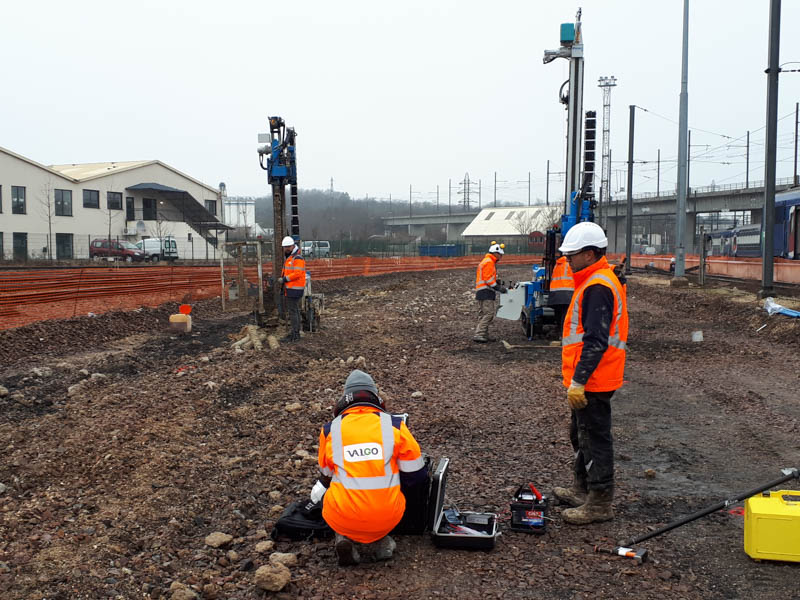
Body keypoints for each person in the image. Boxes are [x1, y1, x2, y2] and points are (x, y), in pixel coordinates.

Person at [551, 222, 628, 525]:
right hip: (591, 378)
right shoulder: (595, 281)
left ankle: (599, 502)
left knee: (594, 437)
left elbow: (596, 340)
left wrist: (579, 381)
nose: (567, 260)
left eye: (571, 254)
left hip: (594, 379)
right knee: (580, 434)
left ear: (590, 253)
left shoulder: (598, 286)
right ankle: (583, 489)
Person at [313, 370, 428, 566]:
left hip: (344, 516)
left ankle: (343, 537)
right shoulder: (395, 425)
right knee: (389, 497)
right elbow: (417, 476)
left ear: (345, 398)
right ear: (375, 396)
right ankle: (383, 542)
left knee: (324, 493)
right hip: (388, 514)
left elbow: (326, 476)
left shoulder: (330, 429)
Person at [473, 242, 508, 343]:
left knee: (483, 314)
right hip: (486, 291)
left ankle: (484, 334)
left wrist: (495, 282)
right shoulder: (489, 262)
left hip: (480, 290)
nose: (501, 257)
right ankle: (479, 334)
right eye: (500, 255)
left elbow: (486, 277)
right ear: (495, 253)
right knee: (489, 313)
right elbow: (488, 279)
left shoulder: (485, 261)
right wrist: (498, 287)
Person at [277, 235, 306, 342]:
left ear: (293, 246)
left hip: (294, 289)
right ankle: (296, 332)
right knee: (295, 311)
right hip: (291, 289)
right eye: (285, 247)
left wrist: (285, 279)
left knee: (293, 311)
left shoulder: (297, 258)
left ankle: (295, 334)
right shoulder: (291, 257)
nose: (286, 249)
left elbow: (297, 273)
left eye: (288, 247)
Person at [547, 251, 574, 340]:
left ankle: (559, 331)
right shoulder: (571, 264)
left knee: (558, 313)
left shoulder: (558, 264)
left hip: (555, 294)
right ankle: (564, 335)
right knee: (566, 315)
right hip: (568, 293)